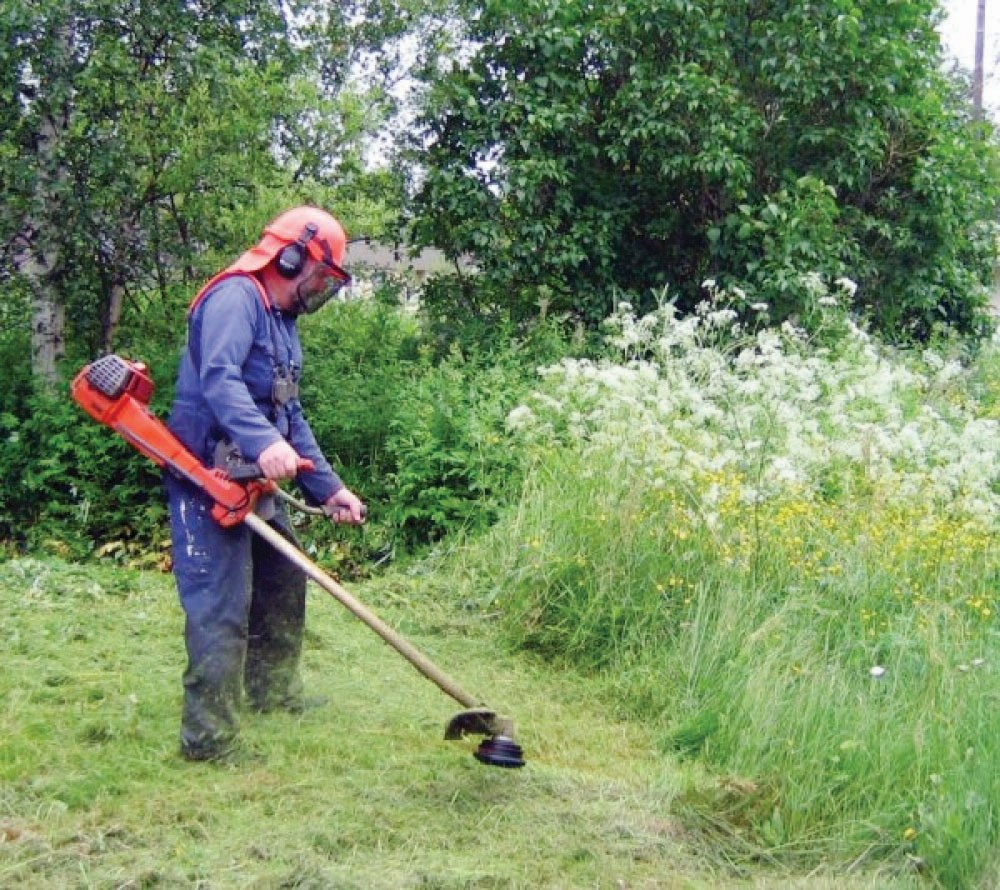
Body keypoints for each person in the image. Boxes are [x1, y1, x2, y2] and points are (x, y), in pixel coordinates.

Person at [165, 206, 366, 762]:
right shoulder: (236, 299)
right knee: (220, 606)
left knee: (282, 580)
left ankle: (273, 693)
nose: (321, 289)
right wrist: (264, 443)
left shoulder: (281, 322)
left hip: (251, 476)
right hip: (207, 476)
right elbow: (220, 379)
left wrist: (331, 489)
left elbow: (290, 414)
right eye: (321, 276)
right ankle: (208, 739)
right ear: (291, 256)